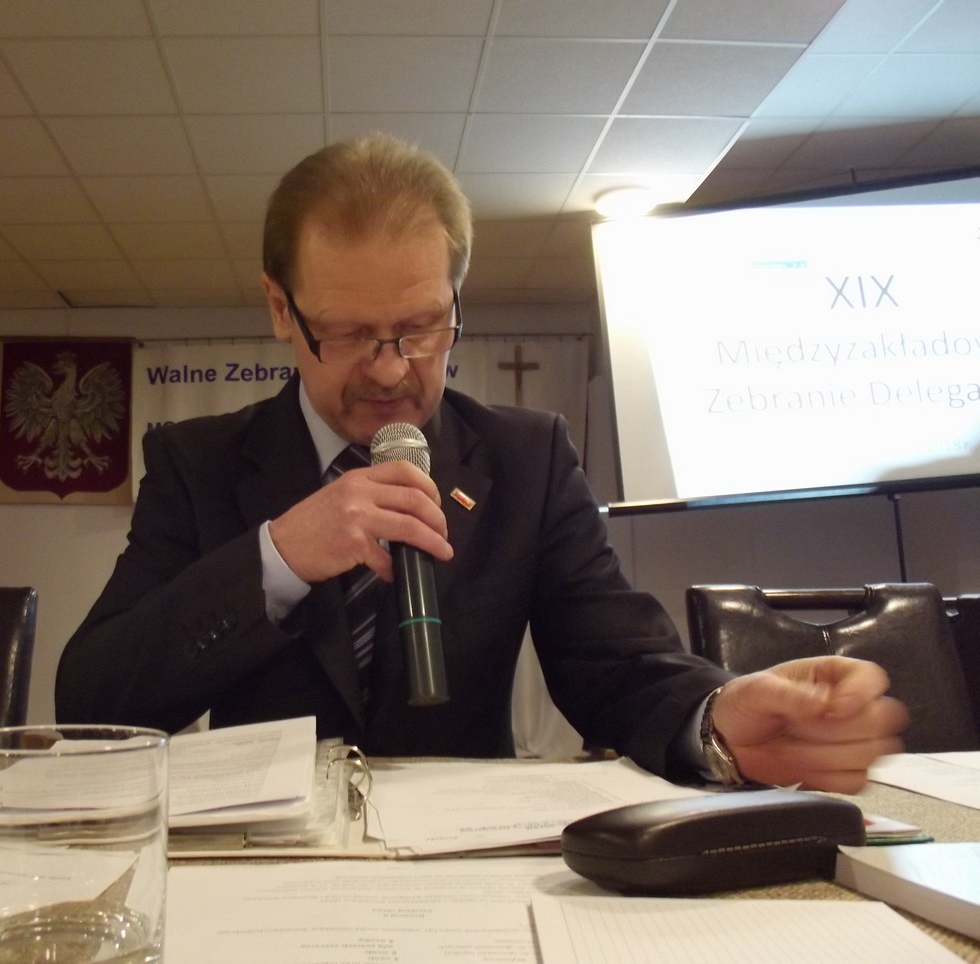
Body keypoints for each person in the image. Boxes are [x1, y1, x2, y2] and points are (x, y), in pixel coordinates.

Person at [56, 133, 907, 792]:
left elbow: (616, 664)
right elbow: (92, 703)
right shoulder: (197, 463)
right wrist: (275, 557)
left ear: (456, 299)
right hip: (257, 865)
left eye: (421, 327)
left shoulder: (528, 459)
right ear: (282, 310)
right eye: (347, 334)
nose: (390, 370)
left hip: (462, 864)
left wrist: (717, 718)